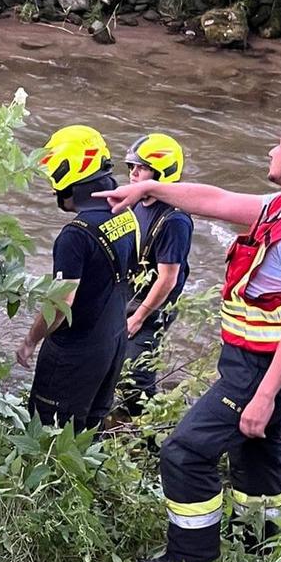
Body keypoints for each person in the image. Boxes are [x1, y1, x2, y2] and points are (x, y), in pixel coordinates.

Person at [95, 114, 281, 562]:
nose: (271, 150)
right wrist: (147, 190)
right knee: (257, 447)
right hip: (260, 362)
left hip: (264, 366)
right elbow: (217, 200)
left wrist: (265, 394)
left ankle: (190, 561)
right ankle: (257, 543)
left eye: (280, 143)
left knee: (184, 452)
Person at [15, 125, 139, 434]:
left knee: (48, 436)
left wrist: (30, 340)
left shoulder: (75, 235)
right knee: (87, 435)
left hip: (74, 354)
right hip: (112, 343)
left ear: (69, 177)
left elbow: (60, 303)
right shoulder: (127, 214)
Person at [117, 133, 194, 416]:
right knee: (113, 362)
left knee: (136, 377)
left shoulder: (174, 220)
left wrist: (139, 317)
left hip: (152, 307)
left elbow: (168, 278)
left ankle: (149, 438)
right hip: (129, 294)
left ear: (162, 173)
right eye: (131, 167)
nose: (133, 173)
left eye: (142, 168)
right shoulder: (138, 202)